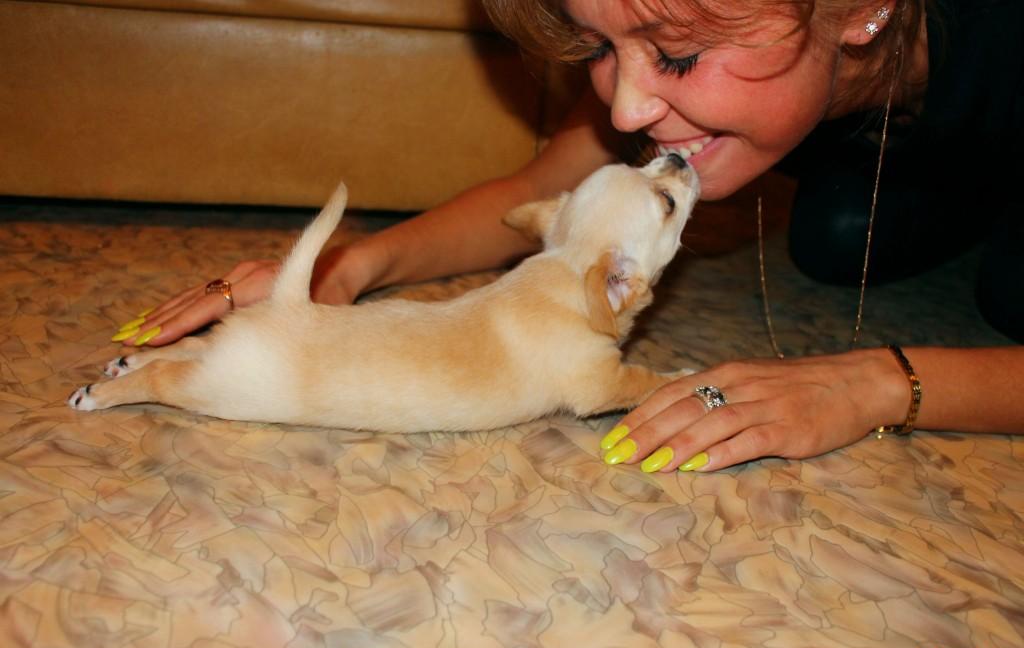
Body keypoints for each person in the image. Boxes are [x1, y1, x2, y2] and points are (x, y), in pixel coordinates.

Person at [112, 0, 1023, 473]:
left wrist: (879, 381)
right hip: (906, 142)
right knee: (830, 238)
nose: (625, 107)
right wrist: (347, 272)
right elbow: (535, 196)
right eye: (600, 49)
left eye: (676, 54)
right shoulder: (689, 77)